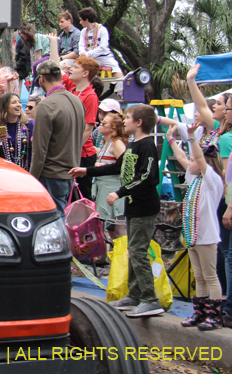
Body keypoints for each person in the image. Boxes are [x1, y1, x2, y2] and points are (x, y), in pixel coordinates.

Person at [70, 104, 161, 318]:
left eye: (128, 117)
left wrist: (120, 192)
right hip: (133, 206)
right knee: (133, 249)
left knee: (138, 250)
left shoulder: (146, 145)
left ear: (138, 123)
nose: (124, 121)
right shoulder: (133, 145)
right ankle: (134, 293)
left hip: (144, 206)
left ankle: (150, 298)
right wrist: (87, 170)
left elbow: (147, 177)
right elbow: (117, 167)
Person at [165, 124, 225, 330]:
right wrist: (171, 140)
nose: (188, 162)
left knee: (210, 275)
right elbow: (184, 158)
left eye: (194, 160)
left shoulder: (212, 181)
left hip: (207, 236)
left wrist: (191, 137)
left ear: (203, 164)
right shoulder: (194, 178)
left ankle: (214, 316)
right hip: (192, 236)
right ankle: (199, 313)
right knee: (198, 276)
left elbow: (197, 157)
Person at [29, 61, 85, 212]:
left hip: (51, 174)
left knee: (51, 221)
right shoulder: (77, 101)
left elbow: (39, 149)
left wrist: (31, 179)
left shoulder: (46, 105)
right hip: (69, 173)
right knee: (60, 216)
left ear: (41, 79)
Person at [69, 56, 101, 199]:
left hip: (82, 153)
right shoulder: (71, 91)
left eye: (75, 67)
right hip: (71, 150)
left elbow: (88, 129)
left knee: (82, 195)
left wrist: (73, 150)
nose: (71, 69)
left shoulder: (91, 96)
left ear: (85, 73)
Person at [92, 112, 127, 238]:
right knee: (110, 229)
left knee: (119, 227)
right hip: (102, 189)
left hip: (113, 189)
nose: (100, 125)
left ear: (113, 127)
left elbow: (125, 165)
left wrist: (103, 167)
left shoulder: (116, 143)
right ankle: (115, 254)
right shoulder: (104, 144)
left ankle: (123, 255)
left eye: (104, 123)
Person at [0, 92, 34, 170]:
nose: (19, 105)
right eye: (14, 103)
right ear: (5, 107)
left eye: (19, 102)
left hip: (27, 173)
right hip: (6, 174)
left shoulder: (29, 125)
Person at [77, 7, 123, 75]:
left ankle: (120, 84)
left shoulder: (102, 29)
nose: (80, 22)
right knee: (81, 70)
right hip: (90, 59)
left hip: (105, 57)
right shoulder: (83, 31)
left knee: (116, 69)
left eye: (81, 20)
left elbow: (102, 47)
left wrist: (87, 54)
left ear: (86, 20)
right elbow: (81, 45)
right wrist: (83, 54)